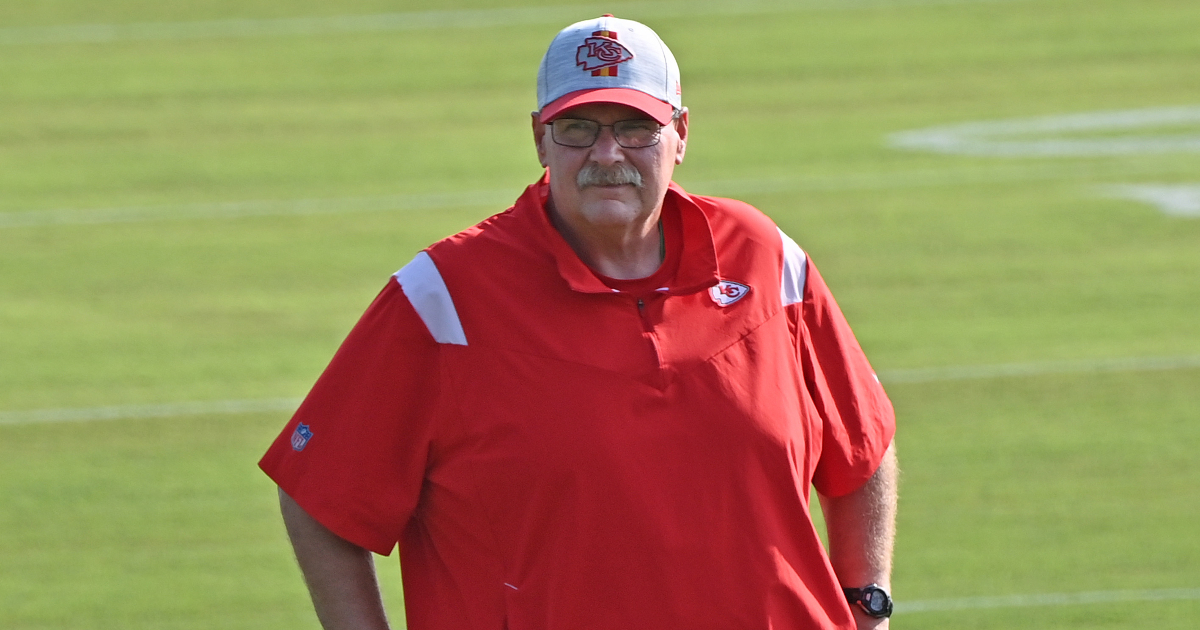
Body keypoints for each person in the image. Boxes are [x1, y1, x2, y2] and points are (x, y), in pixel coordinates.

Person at [260, 14, 898, 630]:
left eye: (634, 126)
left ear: (680, 134)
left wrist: (867, 605)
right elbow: (319, 497)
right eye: (579, 127)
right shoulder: (444, 300)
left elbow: (863, 442)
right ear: (539, 138)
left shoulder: (766, 258)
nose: (607, 152)